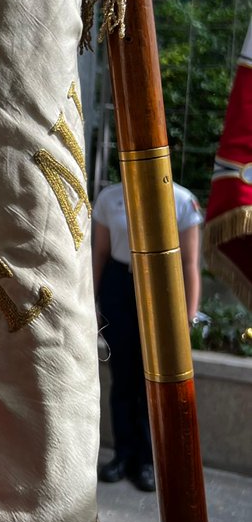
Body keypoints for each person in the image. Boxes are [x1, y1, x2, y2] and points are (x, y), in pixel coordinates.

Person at [92, 180, 202, 492]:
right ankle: (122, 456)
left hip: (161, 286)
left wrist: (189, 314)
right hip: (119, 287)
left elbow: (189, 263)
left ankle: (148, 461)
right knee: (122, 376)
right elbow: (99, 253)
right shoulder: (110, 197)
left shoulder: (182, 200)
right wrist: (93, 300)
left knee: (152, 381)